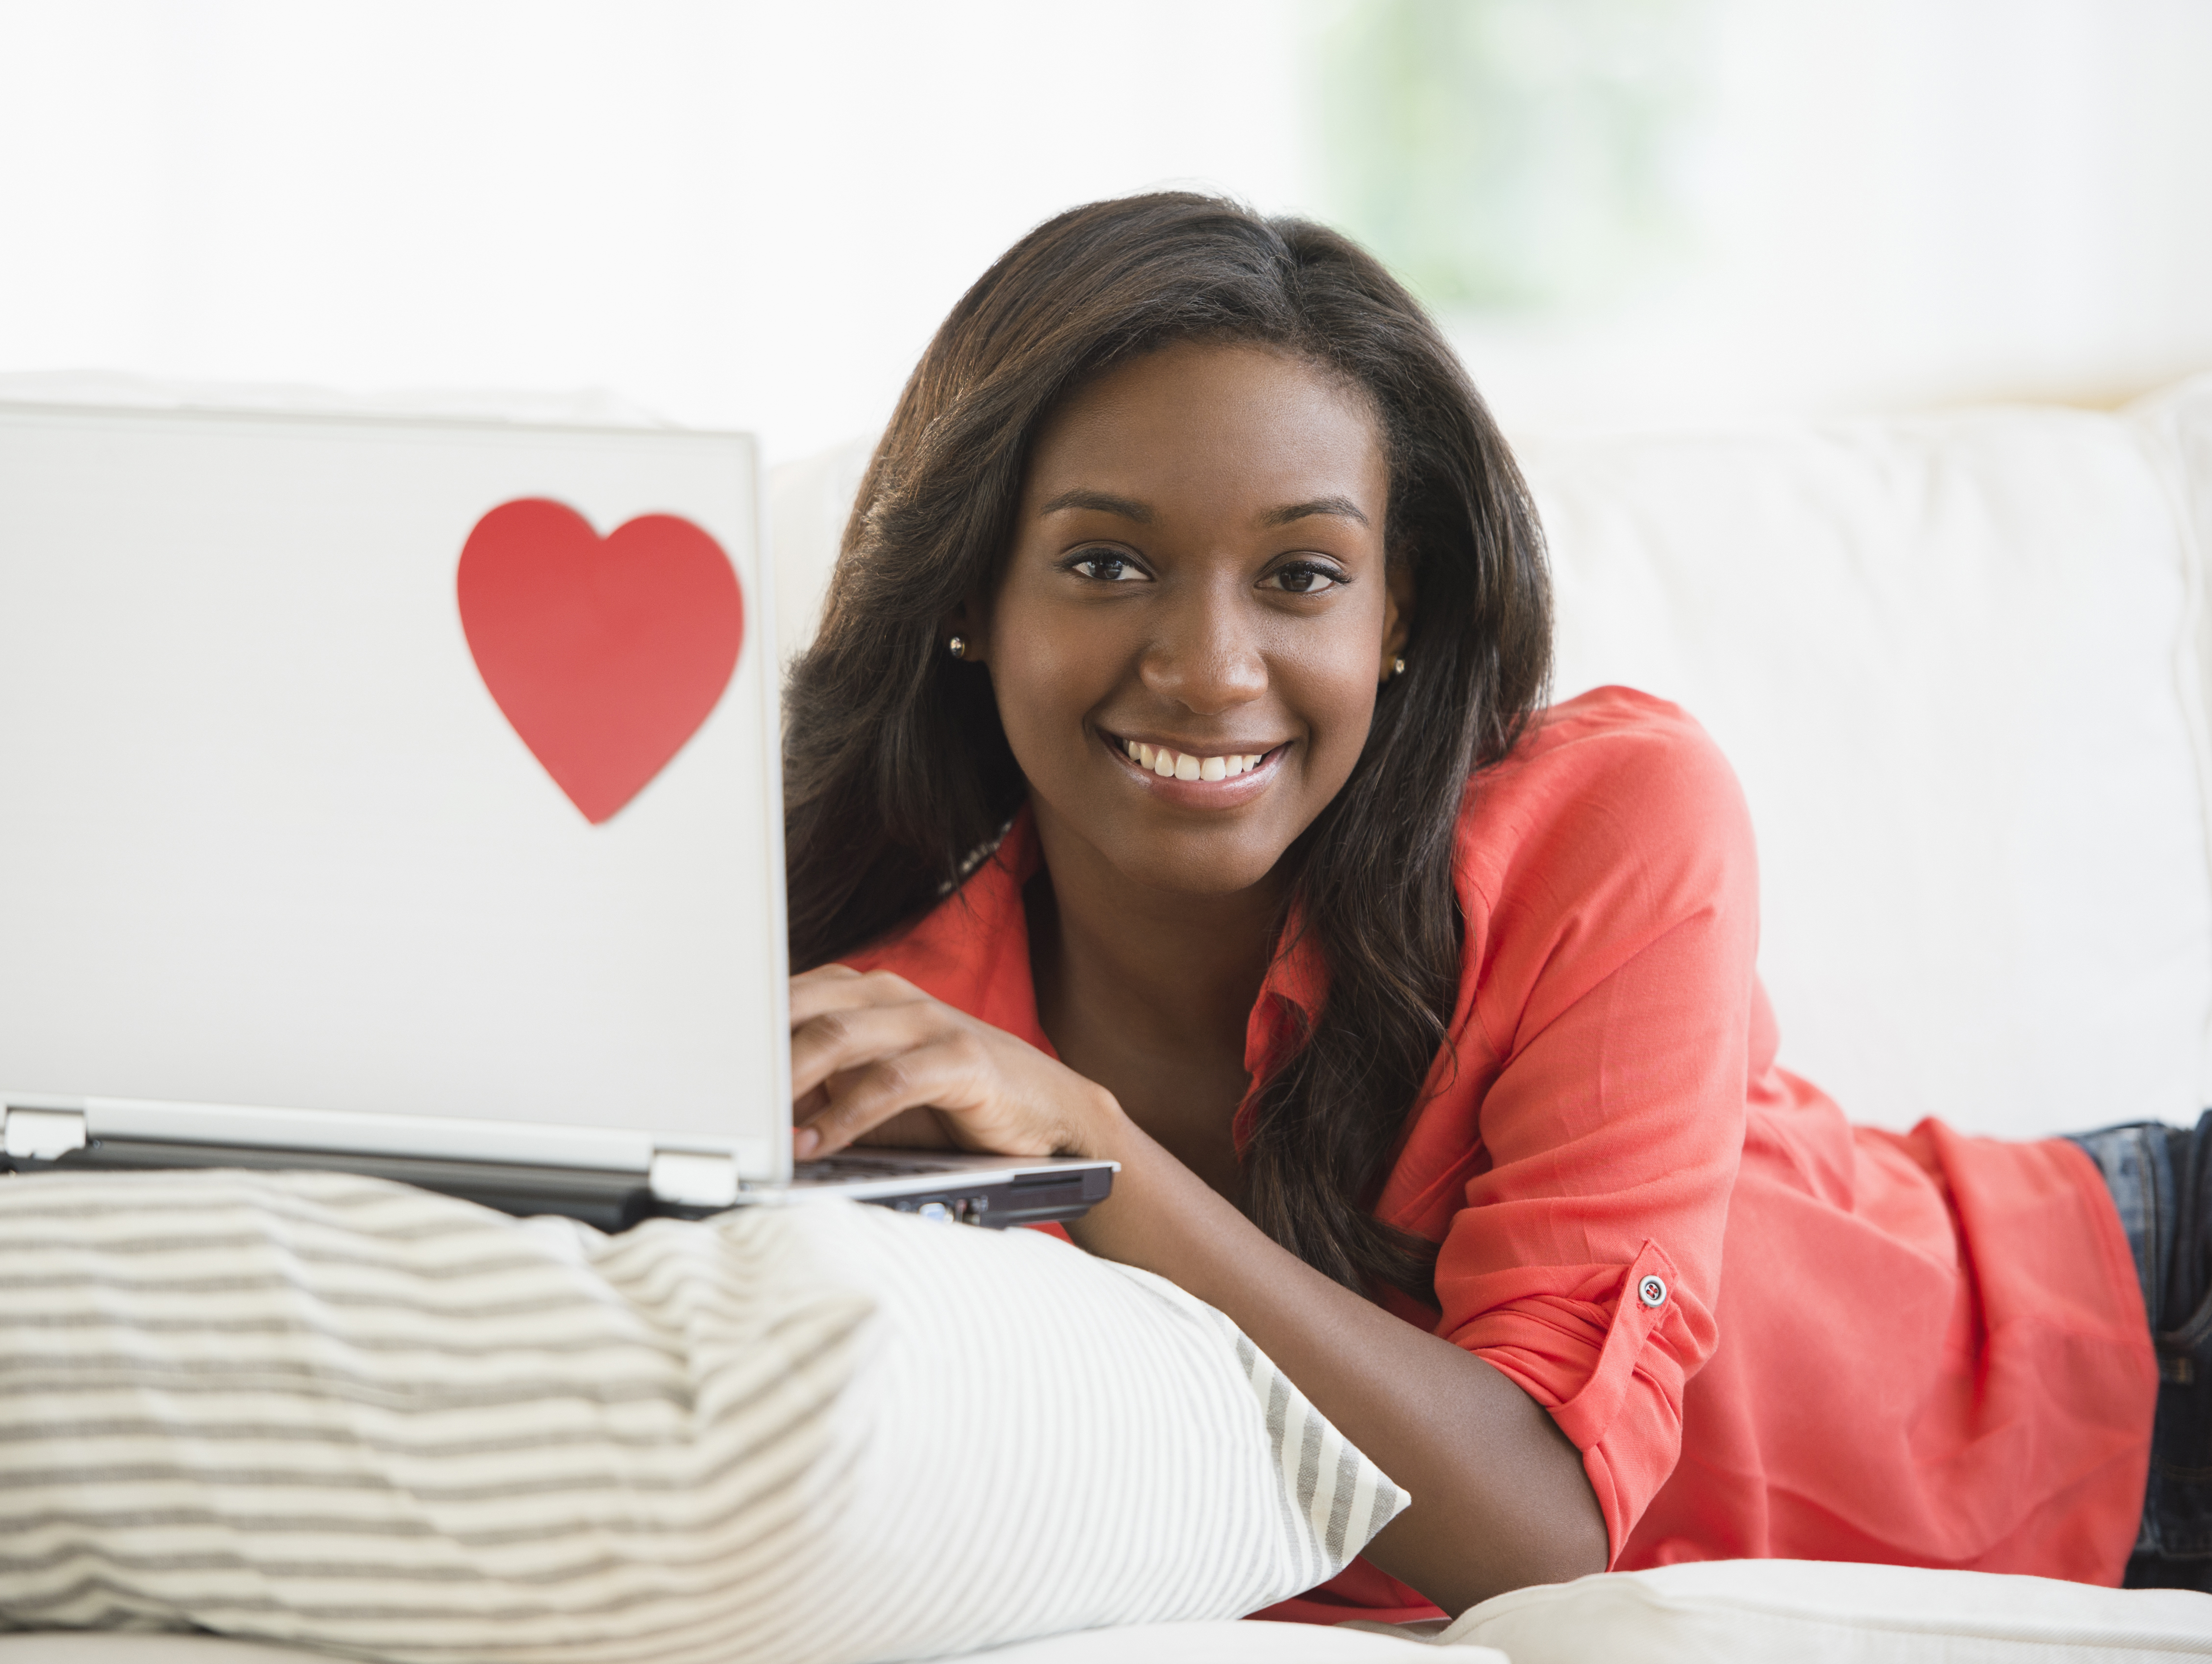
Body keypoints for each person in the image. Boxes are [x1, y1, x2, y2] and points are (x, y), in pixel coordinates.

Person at [776, 192, 2191, 1623]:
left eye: (1301, 575)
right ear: (970, 592)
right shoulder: (893, 1042)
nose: (1209, 667)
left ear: (1395, 614)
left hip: (2127, 1334)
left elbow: (1540, 1527)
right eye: (1105, 563)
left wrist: (1098, 1154)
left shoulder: (1607, 820)